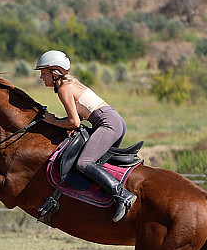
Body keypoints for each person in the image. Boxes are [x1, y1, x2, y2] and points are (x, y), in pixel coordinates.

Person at [34, 50, 136, 222]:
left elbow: (74, 123)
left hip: (107, 124)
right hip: (115, 121)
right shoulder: (72, 83)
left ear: (54, 72)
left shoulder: (64, 90)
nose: (41, 77)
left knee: (84, 163)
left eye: (43, 73)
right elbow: (80, 115)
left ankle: (123, 196)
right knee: (94, 166)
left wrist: (52, 120)